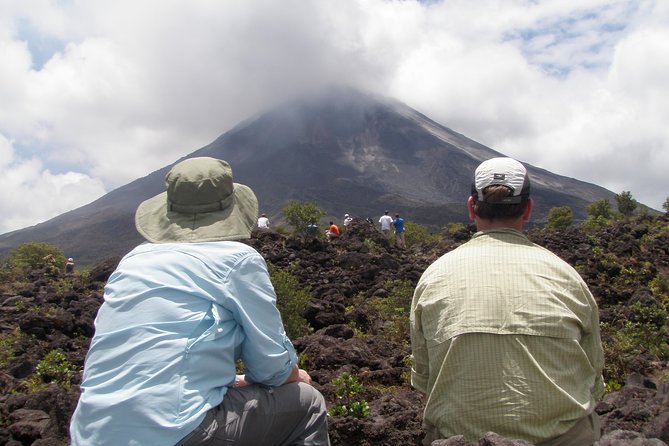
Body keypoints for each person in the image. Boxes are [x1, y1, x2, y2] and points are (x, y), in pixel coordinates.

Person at [70, 157, 330, 446]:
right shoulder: (237, 260)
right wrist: (295, 375)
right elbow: (271, 368)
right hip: (174, 430)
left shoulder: (131, 262)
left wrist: (232, 381)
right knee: (307, 403)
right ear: (231, 206)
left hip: (90, 432)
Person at [410, 157, 604, 446]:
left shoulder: (434, 277)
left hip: (461, 439)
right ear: (528, 209)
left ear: (471, 207)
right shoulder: (566, 276)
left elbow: (424, 380)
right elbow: (594, 380)